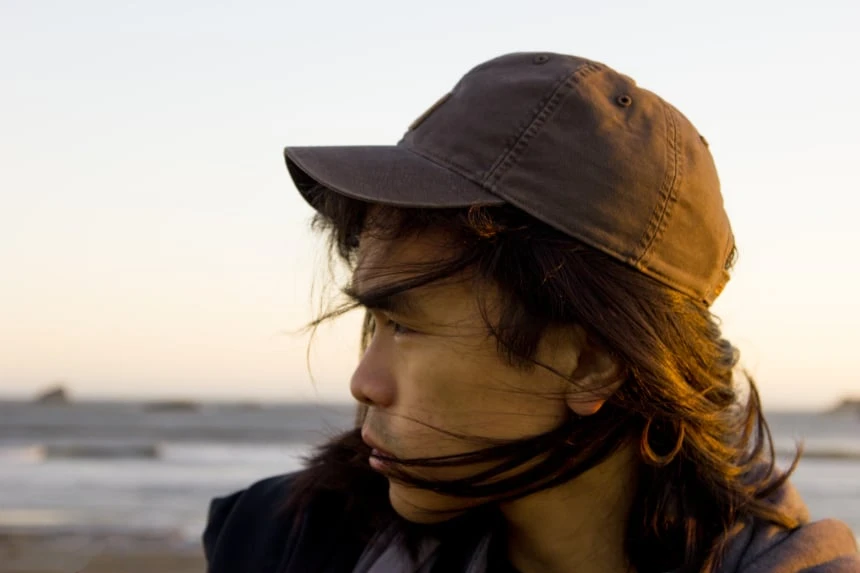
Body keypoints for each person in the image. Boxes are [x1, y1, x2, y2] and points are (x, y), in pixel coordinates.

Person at [202, 52, 859, 572]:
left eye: (404, 324)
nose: (363, 381)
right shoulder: (284, 541)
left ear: (591, 363)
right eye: (373, 322)